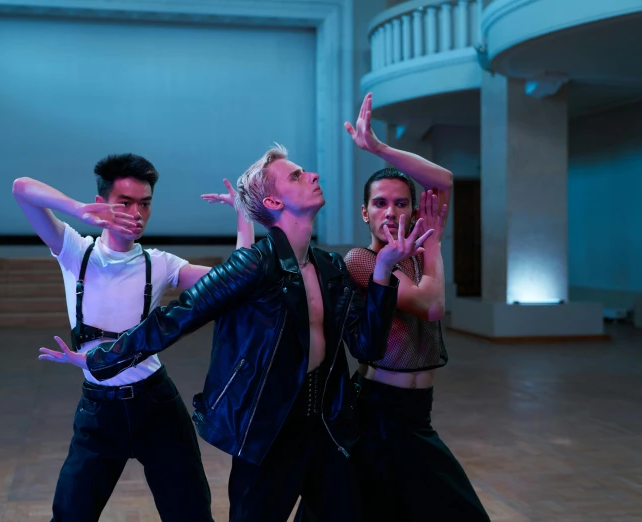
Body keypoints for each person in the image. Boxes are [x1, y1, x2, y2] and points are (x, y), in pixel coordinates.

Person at [38, 143, 435, 522]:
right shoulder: (252, 266)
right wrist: (102, 359)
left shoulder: (331, 268)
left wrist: (382, 275)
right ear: (275, 203)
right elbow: (176, 318)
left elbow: (367, 346)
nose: (312, 175)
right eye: (297, 176)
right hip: (267, 435)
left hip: (328, 430)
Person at [12, 154, 252, 522]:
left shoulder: (160, 263)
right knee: (70, 512)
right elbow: (22, 188)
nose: (136, 213)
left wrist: (243, 216)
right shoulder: (76, 251)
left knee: (189, 512)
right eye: (125, 203)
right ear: (104, 202)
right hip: (98, 411)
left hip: (156, 405)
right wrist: (78, 210)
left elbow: (235, 283)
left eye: (145, 203)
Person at [297, 92, 490, 521]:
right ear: (364, 213)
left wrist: (379, 149)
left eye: (401, 202)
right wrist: (436, 244)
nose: (390, 211)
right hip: (378, 413)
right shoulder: (362, 261)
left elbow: (444, 181)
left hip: (417, 412)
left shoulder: (418, 257)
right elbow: (432, 306)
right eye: (380, 203)